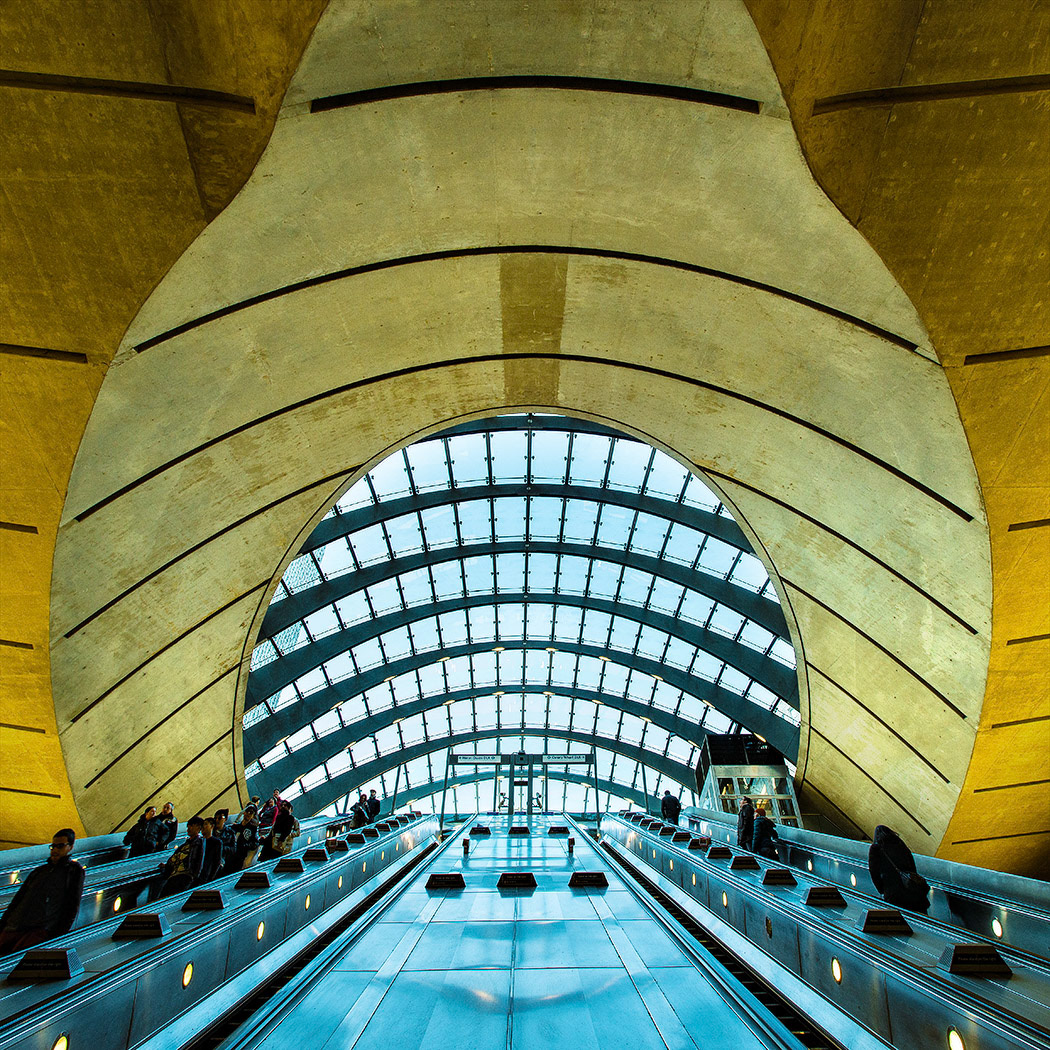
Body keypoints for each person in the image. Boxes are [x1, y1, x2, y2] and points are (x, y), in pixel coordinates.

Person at [0, 829, 84, 954]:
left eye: (60, 846)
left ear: (70, 847)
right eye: (53, 846)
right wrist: (3, 923)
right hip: (15, 926)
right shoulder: (39, 871)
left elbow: (72, 905)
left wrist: (58, 935)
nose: (55, 850)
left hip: (40, 930)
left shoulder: (73, 872)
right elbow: (18, 899)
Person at [868, 825, 930, 913]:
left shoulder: (876, 848)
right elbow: (911, 863)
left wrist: (881, 888)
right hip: (910, 889)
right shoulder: (900, 844)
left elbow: (874, 871)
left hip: (892, 891)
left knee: (898, 915)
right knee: (916, 914)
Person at [158, 816, 204, 897]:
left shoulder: (199, 843)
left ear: (198, 827)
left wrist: (194, 877)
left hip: (184, 877)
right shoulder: (186, 843)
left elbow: (199, 862)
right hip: (174, 876)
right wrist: (167, 865)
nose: (188, 828)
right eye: (188, 826)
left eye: (192, 825)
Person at [228, 804, 262, 870]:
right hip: (230, 854)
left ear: (252, 816)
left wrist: (244, 845)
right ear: (244, 812)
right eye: (248, 811)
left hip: (241, 856)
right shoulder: (235, 827)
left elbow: (255, 843)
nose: (248, 814)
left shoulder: (252, 829)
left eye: (251, 813)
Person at [198, 818, 224, 882]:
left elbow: (217, 861)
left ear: (212, 826)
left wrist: (211, 877)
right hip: (197, 874)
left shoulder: (217, 842)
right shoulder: (199, 841)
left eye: (206, 824)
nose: (203, 827)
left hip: (206, 875)